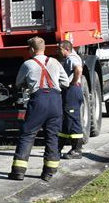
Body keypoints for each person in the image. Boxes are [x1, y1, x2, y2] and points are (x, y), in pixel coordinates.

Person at [8, 37, 69, 182]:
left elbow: (18, 83)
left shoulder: (27, 64)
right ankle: (49, 172)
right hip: (55, 101)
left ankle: (18, 172)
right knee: (52, 136)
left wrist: (29, 84)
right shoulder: (55, 62)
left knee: (27, 134)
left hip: (38, 101)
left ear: (32, 49)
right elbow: (66, 82)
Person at [58, 40, 85, 159]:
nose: (58, 51)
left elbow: (78, 69)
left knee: (73, 120)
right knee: (66, 119)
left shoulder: (71, 58)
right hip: (71, 91)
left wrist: (73, 82)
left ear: (66, 49)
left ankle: (77, 150)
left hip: (72, 91)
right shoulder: (71, 57)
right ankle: (58, 147)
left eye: (60, 49)